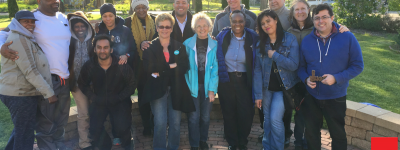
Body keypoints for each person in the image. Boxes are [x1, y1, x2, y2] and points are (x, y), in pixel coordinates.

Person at [0, 0, 72, 149]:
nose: (56, 1)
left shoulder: (63, 18)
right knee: (44, 125)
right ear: (39, 1)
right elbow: (3, 33)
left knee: (61, 121)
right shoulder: (32, 18)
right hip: (45, 80)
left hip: (65, 79)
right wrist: (2, 47)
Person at [298, 4, 364, 150]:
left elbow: (358, 65)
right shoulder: (307, 41)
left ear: (332, 18)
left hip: (336, 96)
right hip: (312, 96)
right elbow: (301, 67)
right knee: (311, 133)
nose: (320, 21)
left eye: (324, 17)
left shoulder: (347, 37)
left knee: (338, 135)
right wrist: (306, 79)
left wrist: (337, 78)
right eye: (316, 18)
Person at [142, 13, 192, 150]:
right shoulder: (149, 47)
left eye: (167, 27)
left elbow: (184, 66)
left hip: (176, 88)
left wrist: (161, 70)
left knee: (175, 122)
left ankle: (173, 147)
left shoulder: (179, 46)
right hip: (157, 89)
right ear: (157, 28)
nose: (164, 29)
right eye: (161, 26)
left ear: (172, 28)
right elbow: (148, 68)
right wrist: (170, 66)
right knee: (160, 122)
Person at [78, 34, 136, 150]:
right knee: (94, 128)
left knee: (122, 127)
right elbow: (82, 84)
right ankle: (106, 145)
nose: (102, 50)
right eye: (99, 47)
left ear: (111, 49)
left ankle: (128, 144)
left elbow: (132, 84)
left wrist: (119, 97)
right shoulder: (89, 66)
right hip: (99, 101)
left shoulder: (121, 64)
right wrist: (94, 98)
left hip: (119, 100)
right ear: (95, 50)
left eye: (106, 47)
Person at [253, 9, 300, 150]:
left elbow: (293, 65)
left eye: (268, 21)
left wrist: (275, 55)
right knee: (267, 120)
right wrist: (258, 95)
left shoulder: (289, 39)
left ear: (276, 20)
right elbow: (257, 70)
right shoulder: (260, 44)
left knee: (274, 119)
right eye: (262, 23)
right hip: (266, 89)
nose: (266, 25)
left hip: (283, 89)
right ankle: (267, 147)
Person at [215, 10, 259, 150]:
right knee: (229, 112)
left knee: (245, 112)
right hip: (226, 80)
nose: (237, 24)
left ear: (245, 22)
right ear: (230, 22)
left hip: (245, 80)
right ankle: (232, 142)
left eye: (240, 21)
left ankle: (242, 140)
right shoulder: (222, 36)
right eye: (234, 21)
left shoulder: (253, 37)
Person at [183, 12, 218, 150]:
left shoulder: (215, 45)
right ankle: (194, 144)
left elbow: (216, 69)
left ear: (209, 27)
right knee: (193, 117)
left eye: (205, 25)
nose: (202, 28)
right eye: (199, 26)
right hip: (192, 86)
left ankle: (203, 140)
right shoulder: (187, 44)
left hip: (207, 86)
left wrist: (212, 89)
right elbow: (184, 67)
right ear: (194, 27)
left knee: (205, 117)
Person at [123, 0, 158, 137]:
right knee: (142, 97)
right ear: (134, 9)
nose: (141, 10)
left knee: (155, 96)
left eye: (144, 7)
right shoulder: (127, 22)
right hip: (137, 67)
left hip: (154, 65)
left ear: (148, 7)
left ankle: (156, 123)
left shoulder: (155, 20)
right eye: (138, 8)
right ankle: (147, 126)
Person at [67, 11, 95, 150]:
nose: (79, 29)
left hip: (92, 85)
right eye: (76, 26)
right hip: (77, 85)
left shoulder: (93, 42)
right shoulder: (69, 42)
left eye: (82, 26)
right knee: (83, 114)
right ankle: (84, 142)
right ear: (72, 28)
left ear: (87, 26)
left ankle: (95, 137)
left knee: (95, 112)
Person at [97, 3, 136, 69]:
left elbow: (132, 50)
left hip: (122, 69)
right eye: (104, 16)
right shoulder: (99, 31)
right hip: (104, 69)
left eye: (110, 16)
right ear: (101, 17)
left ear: (115, 16)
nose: (108, 19)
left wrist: (126, 56)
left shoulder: (125, 30)